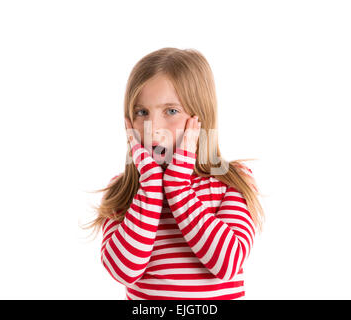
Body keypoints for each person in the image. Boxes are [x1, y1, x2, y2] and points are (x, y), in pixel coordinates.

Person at [81, 47, 265, 300]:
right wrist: (152, 186)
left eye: (171, 111)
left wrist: (177, 186)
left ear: (200, 116)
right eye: (141, 112)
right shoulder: (123, 190)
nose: (153, 128)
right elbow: (123, 270)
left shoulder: (231, 181)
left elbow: (227, 262)